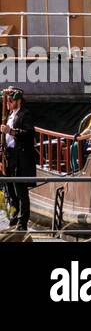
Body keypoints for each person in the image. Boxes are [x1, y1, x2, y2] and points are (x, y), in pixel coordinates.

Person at [2, 89, 35, 231]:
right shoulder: (10, 115)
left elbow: (29, 133)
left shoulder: (24, 114)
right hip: (9, 156)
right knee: (10, 190)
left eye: (10, 101)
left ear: (18, 101)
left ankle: (22, 223)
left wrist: (11, 131)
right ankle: (14, 218)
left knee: (21, 191)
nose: (8, 104)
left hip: (19, 157)